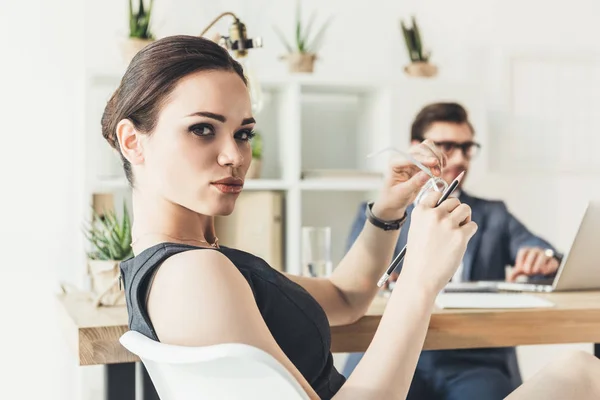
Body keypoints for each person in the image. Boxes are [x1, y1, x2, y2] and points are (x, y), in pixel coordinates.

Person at [105, 35, 600, 400]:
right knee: (580, 374)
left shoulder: (194, 261)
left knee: (578, 371)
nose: (234, 155)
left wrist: (387, 212)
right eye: (202, 130)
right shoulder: (195, 274)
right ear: (133, 141)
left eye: (243, 133)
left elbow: (346, 297)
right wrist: (421, 280)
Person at [342, 102, 564, 399]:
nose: (460, 158)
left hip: (474, 358)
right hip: (398, 346)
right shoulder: (382, 213)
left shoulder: (493, 214)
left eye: (466, 147)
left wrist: (544, 258)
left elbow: (542, 249)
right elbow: (355, 284)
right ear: (416, 150)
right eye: (447, 147)